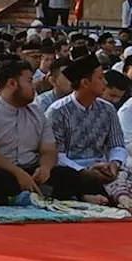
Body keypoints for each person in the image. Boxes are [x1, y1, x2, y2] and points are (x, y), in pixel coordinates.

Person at [0, 58, 57, 205]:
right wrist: (18, 173)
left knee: (66, 175)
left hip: (29, 169)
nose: (33, 86)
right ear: (12, 83)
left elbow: (49, 150)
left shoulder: (37, 113)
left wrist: (45, 168)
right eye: (28, 81)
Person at [45, 54, 132, 207]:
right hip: (74, 169)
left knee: (123, 169)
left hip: (103, 167)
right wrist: (84, 171)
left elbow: (117, 145)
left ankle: (117, 196)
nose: (105, 82)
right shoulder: (57, 111)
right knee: (61, 176)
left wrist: (114, 163)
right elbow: (57, 155)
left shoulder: (108, 109)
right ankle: (87, 196)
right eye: (100, 78)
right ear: (85, 83)